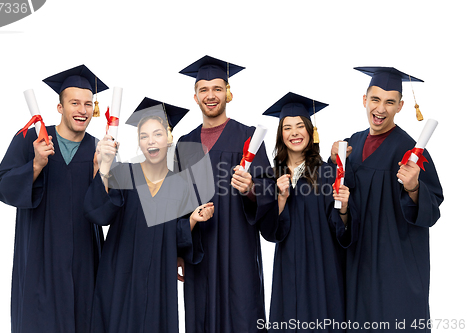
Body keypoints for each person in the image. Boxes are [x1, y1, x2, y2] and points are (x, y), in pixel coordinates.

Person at [0, 64, 108, 333]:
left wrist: (100, 173)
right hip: (39, 260)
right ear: (60, 107)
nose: (82, 110)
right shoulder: (31, 140)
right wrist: (35, 164)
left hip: (85, 264)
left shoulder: (98, 148)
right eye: (74, 103)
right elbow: (2, 187)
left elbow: (107, 212)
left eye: (88, 104)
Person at [85, 98, 214, 333]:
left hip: (158, 276)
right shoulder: (124, 172)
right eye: (144, 136)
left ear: (169, 136)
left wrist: (194, 219)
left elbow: (176, 237)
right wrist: (104, 167)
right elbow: (99, 213)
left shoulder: (182, 184)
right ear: (139, 142)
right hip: (120, 273)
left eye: (157, 134)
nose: (151, 141)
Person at [329, 67, 443, 331]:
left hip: (396, 266)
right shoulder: (351, 145)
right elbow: (336, 201)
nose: (381, 109)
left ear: (401, 106)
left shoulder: (410, 150)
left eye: (390, 102)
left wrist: (414, 187)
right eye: (376, 99)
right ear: (364, 100)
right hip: (358, 264)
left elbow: (432, 209)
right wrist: (333, 159)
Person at [176, 55, 276, 333]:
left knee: (242, 312)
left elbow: (267, 187)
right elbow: (178, 204)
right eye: (204, 90)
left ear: (228, 93)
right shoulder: (185, 143)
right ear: (195, 96)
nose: (211, 95)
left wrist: (251, 189)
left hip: (238, 248)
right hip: (200, 251)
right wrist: (180, 251)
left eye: (217, 89)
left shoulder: (249, 137)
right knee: (201, 316)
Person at [261, 92, 355, 332]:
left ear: (311, 131)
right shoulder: (273, 176)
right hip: (288, 267)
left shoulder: (327, 173)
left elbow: (341, 230)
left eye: (300, 126)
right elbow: (271, 233)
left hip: (323, 266)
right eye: (287, 127)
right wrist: (281, 197)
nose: (294, 133)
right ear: (281, 135)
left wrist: (344, 207)